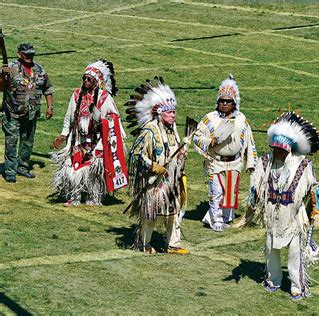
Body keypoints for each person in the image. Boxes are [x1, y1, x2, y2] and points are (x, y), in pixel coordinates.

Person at [243, 112, 319, 300]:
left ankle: (297, 285)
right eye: (275, 148)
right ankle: (273, 279)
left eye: (281, 149)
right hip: (272, 213)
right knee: (271, 248)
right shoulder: (265, 161)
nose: (277, 152)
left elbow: (313, 188)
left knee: (295, 251)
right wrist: (252, 202)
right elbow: (256, 183)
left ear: (289, 149)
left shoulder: (302, 164)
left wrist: (315, 209)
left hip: (294, 215)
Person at [50, 59, 128, 206]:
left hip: (98, 140)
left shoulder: (104, 98)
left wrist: (99, 117)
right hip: (79, 139)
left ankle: (94, 196)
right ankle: (75, 195)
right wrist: (63, 135)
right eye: (84, 78)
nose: (85, 81)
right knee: (73, 166)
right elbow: (69, 118)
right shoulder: (76, 95)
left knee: (94, 170)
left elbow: (113, 119)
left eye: (89, 79)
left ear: (97, 82)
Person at [126, 76, 189, 255]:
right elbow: (136, 154)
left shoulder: (173, 131)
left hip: (172, 180)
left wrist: (182, 154)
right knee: (151, 213)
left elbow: (173, 152)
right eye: (169, 113)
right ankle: (144, 243)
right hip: (155, 181)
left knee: (174, 213)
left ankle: (172, 244)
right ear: (160, 114)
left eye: (175, 112)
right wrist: (153, 166)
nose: (174, 115)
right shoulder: (150, 131)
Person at [193, 74, 257, 232]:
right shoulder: (210, 118)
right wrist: (209, 142)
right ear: (218, 102)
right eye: (222, 101)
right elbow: (196, 136)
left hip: (235, 162)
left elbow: (249, 141)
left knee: (230, 192)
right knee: (216, 193)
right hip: (216, 162)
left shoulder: (241, 119)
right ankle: (215, 219)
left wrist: (251, 163)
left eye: (228, 101)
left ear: (234, 103)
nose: (225, 104)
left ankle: (226, 217)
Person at [2, 43, 54, 183]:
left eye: (32, 54)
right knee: (11, 143)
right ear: (19, 54)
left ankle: (23, 167)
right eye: (27, 54)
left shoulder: (39, 70)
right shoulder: (11, 68)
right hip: (12, 114)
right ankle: (10, 171)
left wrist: (50, 107)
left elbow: (48, 89)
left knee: (27, 143)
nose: (30, 57)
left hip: (31, 114)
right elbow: (1, 87)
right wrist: (3, 75)